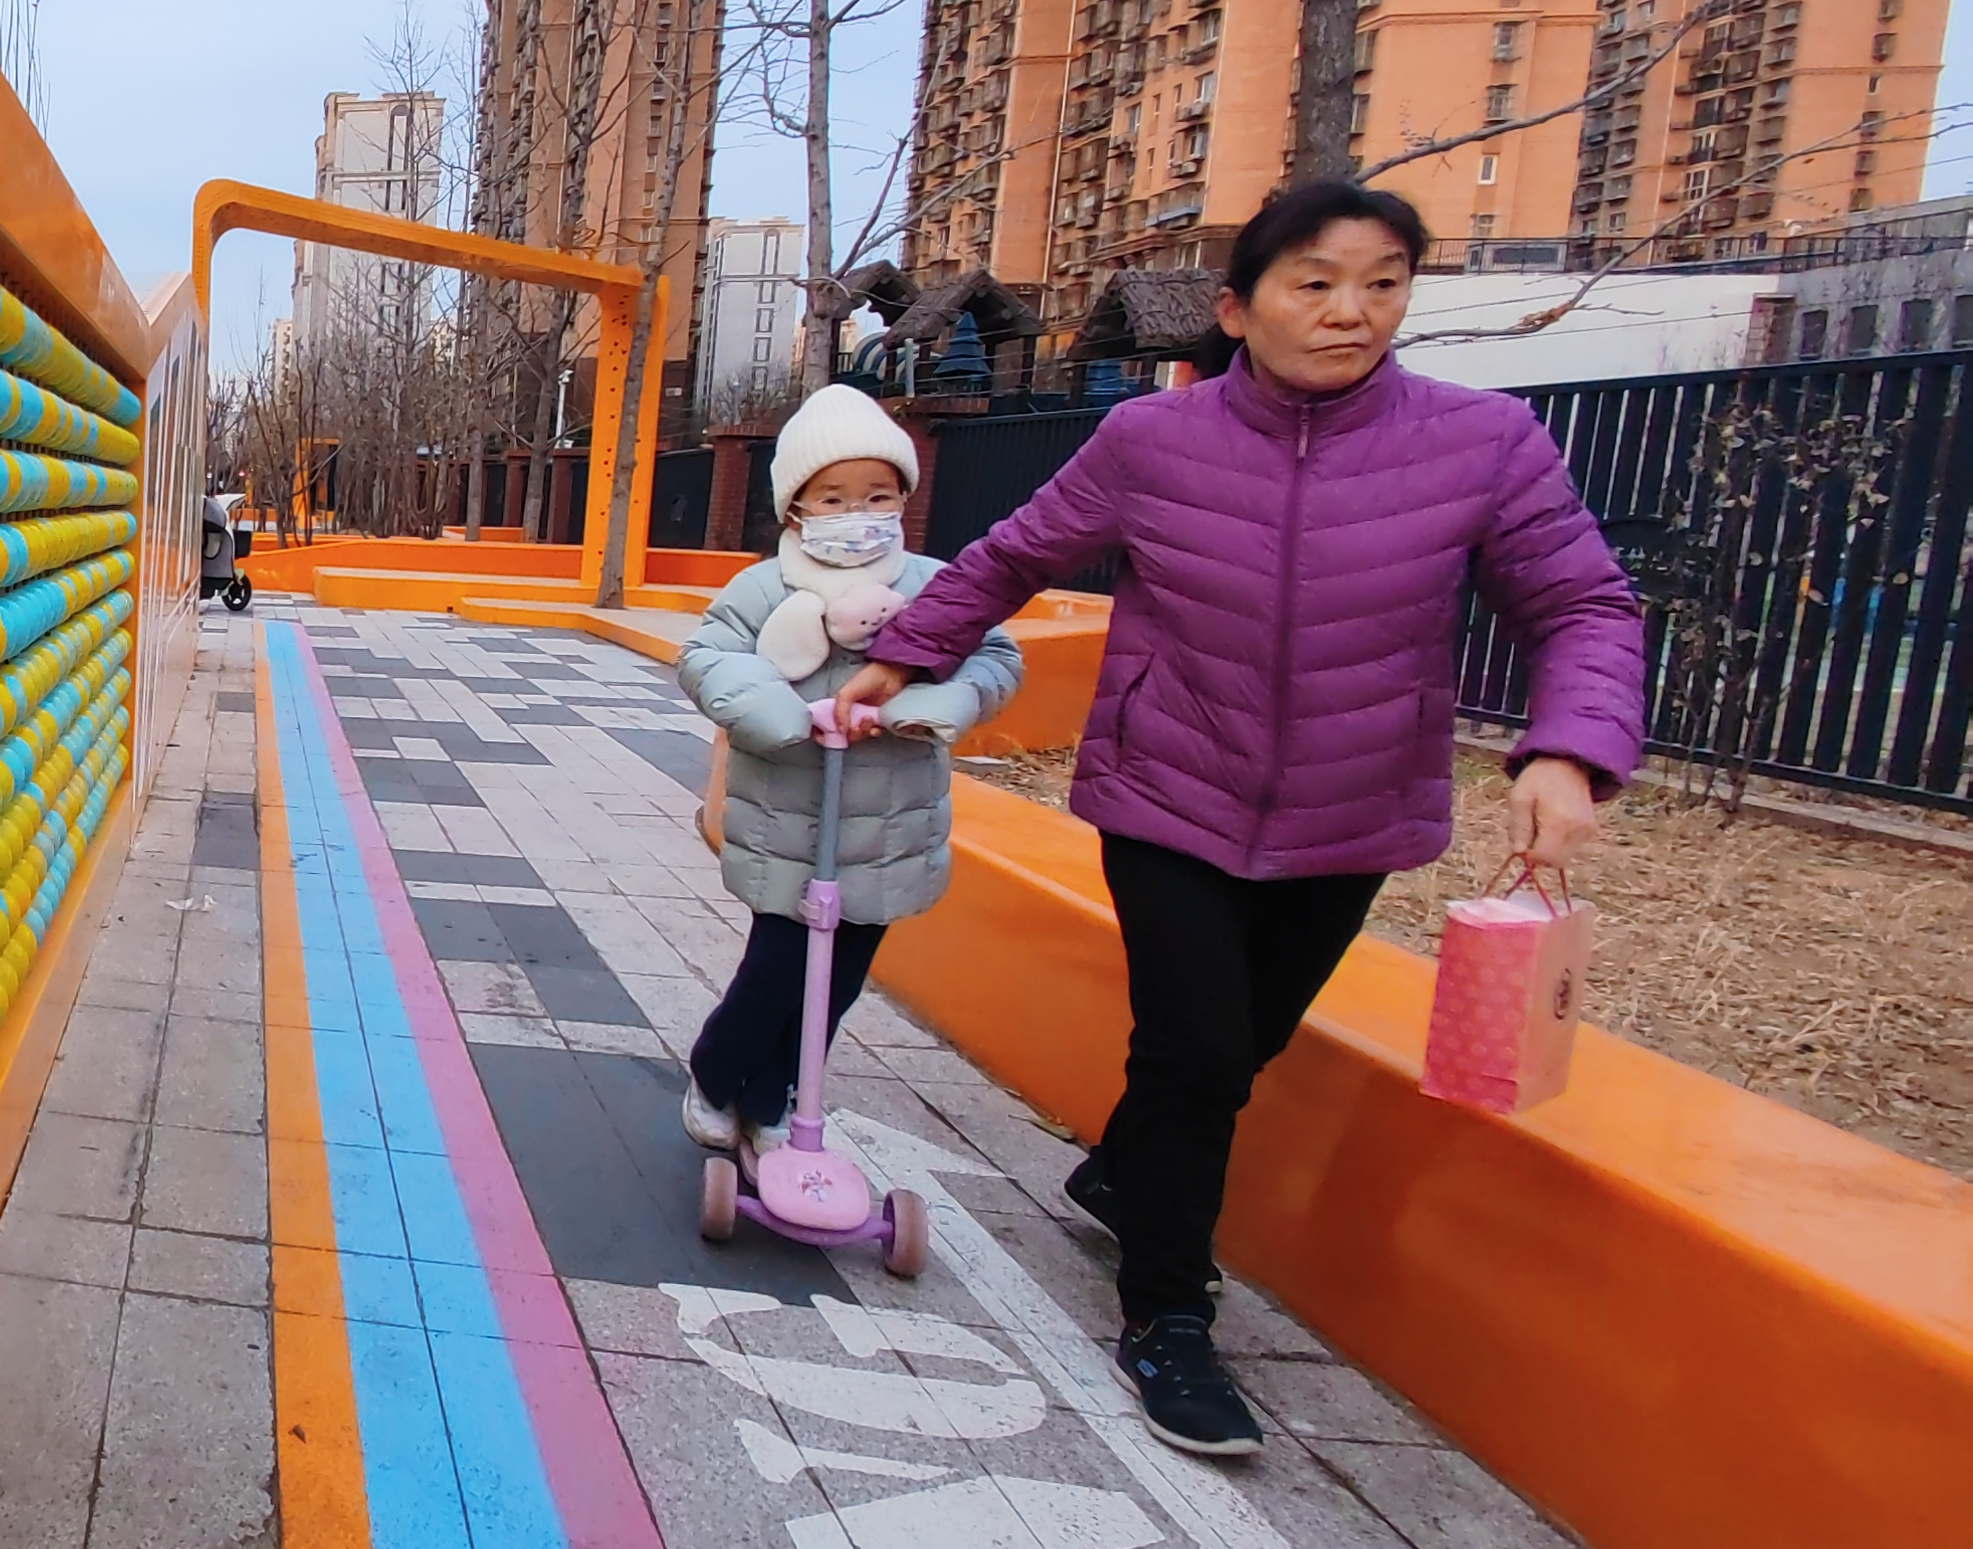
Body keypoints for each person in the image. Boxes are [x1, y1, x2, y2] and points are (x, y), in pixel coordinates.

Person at [830, 177, 1645, 1458]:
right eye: (1313, 283)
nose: (1348, 311)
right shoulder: (1152, 442)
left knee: (1244, 1041)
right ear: (1237, 307)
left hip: (1352, 807)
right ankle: (1165, 1314)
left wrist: (1568, 751)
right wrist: (905, 656)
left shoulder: (1482, 443)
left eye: (1380, 285)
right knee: (1196, 1049)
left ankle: (1124, 1176)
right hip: (1168, 787)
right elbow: (1013, 555)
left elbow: (1582, 605)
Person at [674, 385, 1022, 1152]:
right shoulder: (765, 588)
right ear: (796, 507)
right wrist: (778, 714)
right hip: (789, 821)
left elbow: (995, 656)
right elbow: (707, 656)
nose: (856, 513)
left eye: (876, 495)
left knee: (838, 980)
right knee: (776, 969)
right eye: (833, 498)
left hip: (888, 828)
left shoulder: (931, 585)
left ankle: (775, 1098)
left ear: (904, 498)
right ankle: (718, 1074)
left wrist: (934, 704)